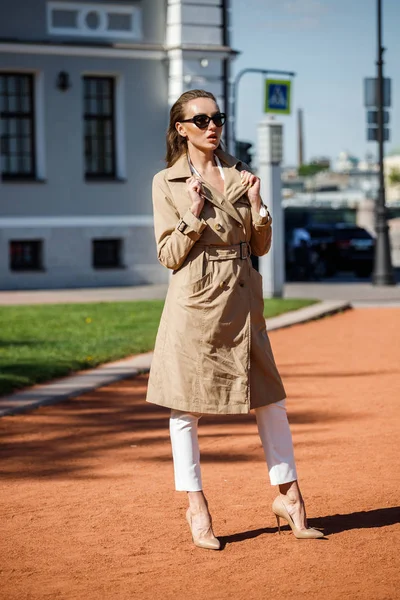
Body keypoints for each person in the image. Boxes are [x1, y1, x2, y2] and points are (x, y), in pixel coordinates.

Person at [146, 89, 323, 550]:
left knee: (271, 400)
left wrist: (261, 208)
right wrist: (194, 212)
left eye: (218, 118)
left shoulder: (242, 175)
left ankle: (290, 497)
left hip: (243, 301)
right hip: (196, 305)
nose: (212, 126)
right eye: (201, 119)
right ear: (181, 128)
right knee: (185, 409)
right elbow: (168, 255)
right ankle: (196, 506)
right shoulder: (166, 182)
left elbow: (259, 246)